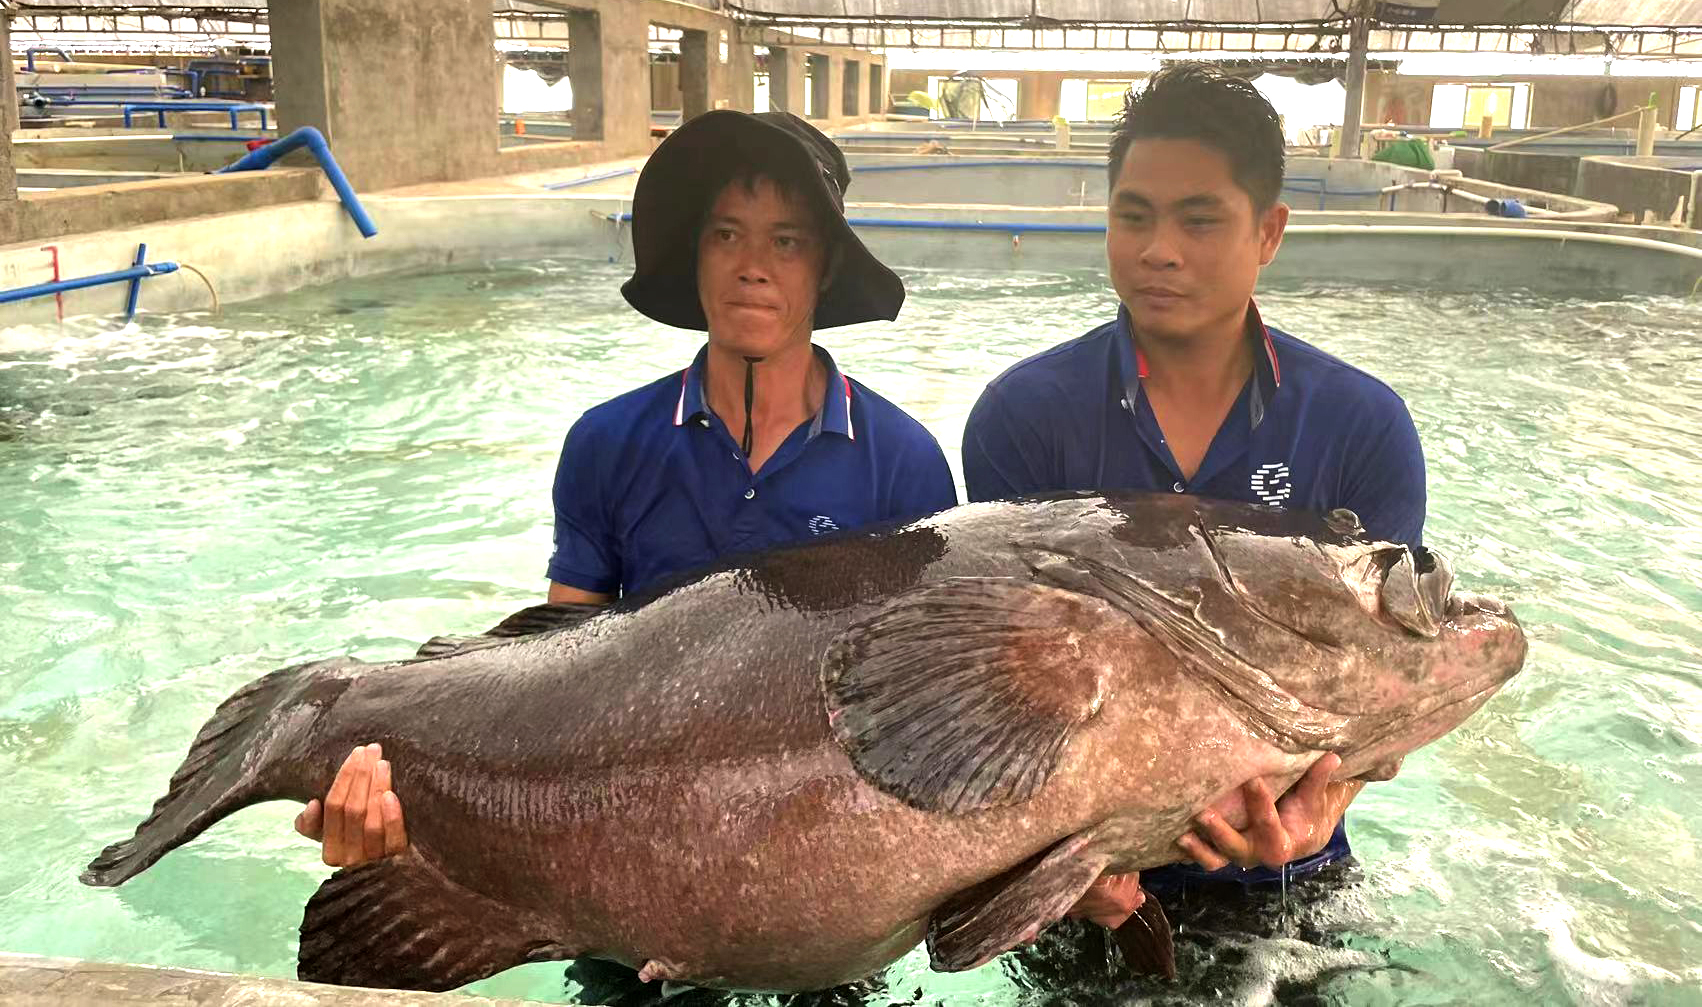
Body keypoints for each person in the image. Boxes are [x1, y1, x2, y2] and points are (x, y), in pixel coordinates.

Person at [292, 110, 957, 877]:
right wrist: (409, 812)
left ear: (826, 267)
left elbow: (916, 707)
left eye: (787, 240)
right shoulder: (607, 443)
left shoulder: (905, 463)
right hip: (621, 849)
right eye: (725, 234)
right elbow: (555, 676)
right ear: (696, 255)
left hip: (818, 863)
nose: (753, 265)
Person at [962, 64, 1427, 932]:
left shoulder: (1361, 426)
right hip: (1091, 879)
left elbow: (1389, 682)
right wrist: (1062, 859)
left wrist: (1328, 801)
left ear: (1270, 232)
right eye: (1133, 215)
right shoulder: (1023, 417)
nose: (1158, 249)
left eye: (1199, 219)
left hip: (1291, 871)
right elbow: (1008, 678)